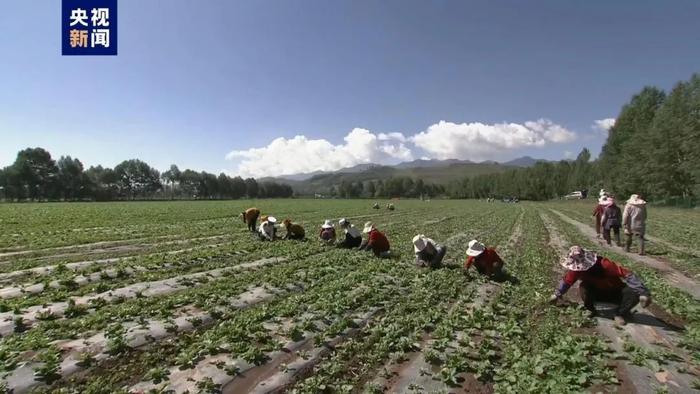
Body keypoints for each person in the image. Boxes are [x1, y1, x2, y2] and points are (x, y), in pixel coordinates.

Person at [549, 246, 651, 325]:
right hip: (598, 294)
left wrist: (642, 292)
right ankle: (590, 309)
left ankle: (619, 313)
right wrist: (557, 294)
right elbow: (567, 281)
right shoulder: (577, 270)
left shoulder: (604, 264)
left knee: (634, 292)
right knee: (584, 286)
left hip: (616, 292)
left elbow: (627, 274)